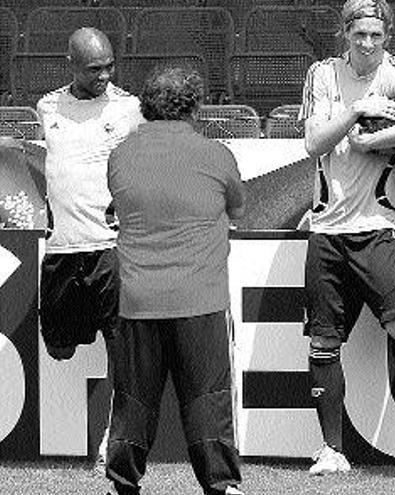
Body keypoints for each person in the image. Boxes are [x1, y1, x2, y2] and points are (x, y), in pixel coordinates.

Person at [298, 0, 395, 475]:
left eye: (377, 36)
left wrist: (375, 140)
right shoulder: (322, 75)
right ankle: (332, 450)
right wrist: (358, 111)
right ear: (345, 34)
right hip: (327, 230)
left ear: (387, 37)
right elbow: (315, 143)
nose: (368, 44)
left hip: (379, 229)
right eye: (360, 35)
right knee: (322, 343)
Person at [1, 27, 146, 471]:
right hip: (63, 250)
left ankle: (115, 441)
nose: (104, 75)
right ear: (72, 65)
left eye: (109, 66)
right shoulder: (48, 107)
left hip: (110, 249)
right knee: (60, 346)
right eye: (93, 69)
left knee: (121, 347)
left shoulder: (128, 109)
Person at [105, 67, 245, 495]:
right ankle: (221, 485)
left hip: (137, 301)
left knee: (134, 402)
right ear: (196, 107)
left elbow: (119, 207)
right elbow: (237, 211)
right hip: (199, 300)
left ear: (146, 107)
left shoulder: (121, 155)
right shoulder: (216, 155)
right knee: (208, 400)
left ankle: (123, 484)